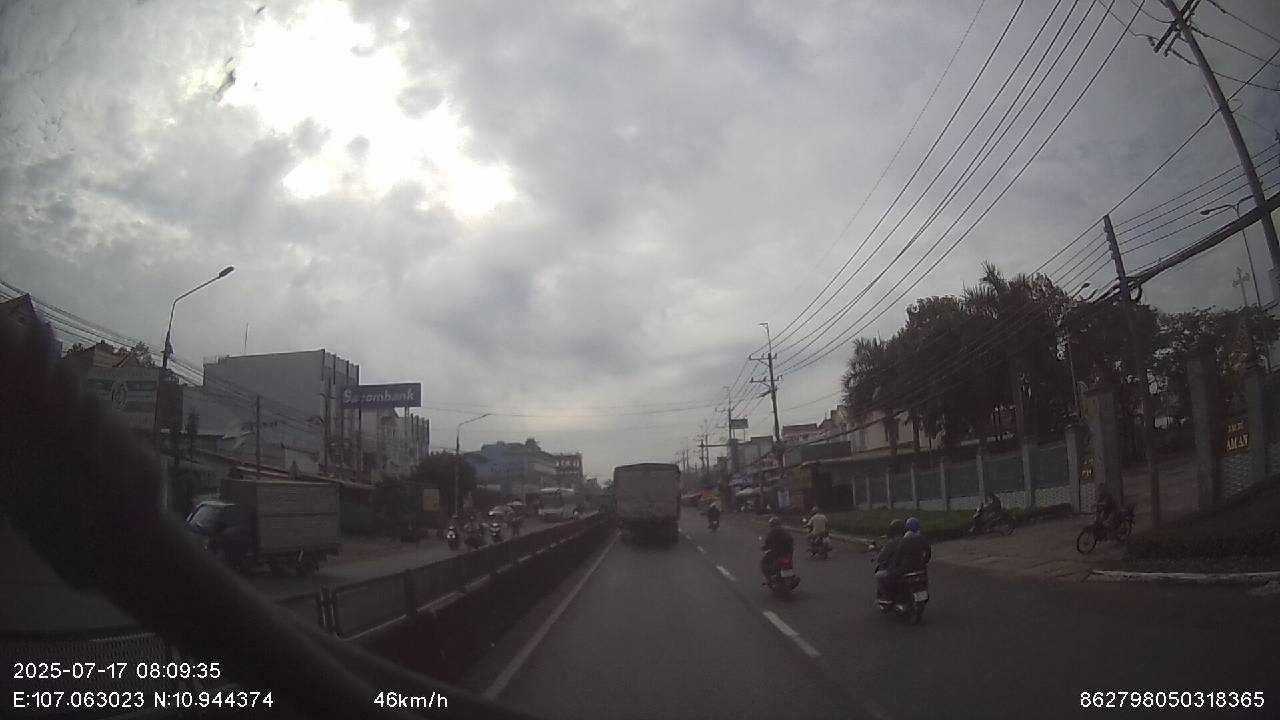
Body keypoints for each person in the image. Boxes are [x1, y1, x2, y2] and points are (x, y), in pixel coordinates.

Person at [874, 519, 906, 600]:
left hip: (897, 570)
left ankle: (888, 597)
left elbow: (881, 557)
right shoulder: (908, 540)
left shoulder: (892, 543)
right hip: (910, 568)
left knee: (879, 575)